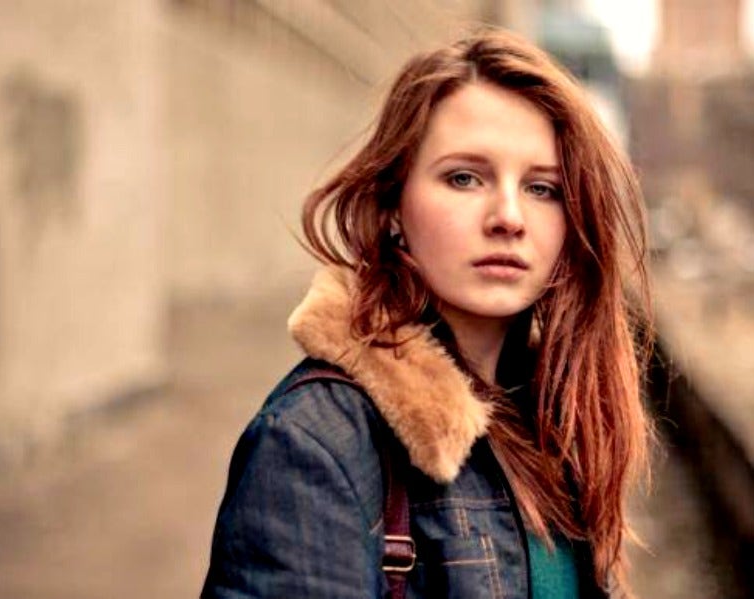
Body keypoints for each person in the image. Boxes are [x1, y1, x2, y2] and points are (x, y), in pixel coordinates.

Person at [202, 28, 652, 599]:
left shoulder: (560, 419)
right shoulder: (316, 444)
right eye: (465, 177)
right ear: (393, 206)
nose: (509, 217)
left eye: (543, 188)